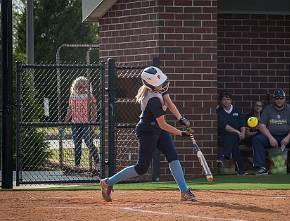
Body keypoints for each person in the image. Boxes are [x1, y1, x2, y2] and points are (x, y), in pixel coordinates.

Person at [100, 66, 195, 202]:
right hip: (147, 131)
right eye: (159, 83)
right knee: (141, 168)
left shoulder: (160, 90)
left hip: (158, 129)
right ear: (150, 85)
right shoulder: (153, 100)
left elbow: (170, 103)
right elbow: (163, 124)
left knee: (172, 155)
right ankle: (107, 182)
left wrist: (181, 118)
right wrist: (181, 133)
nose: (163, 85)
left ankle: (184, 191)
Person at [251, 89, 290, 175]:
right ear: (274, 99)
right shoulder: (268, 109)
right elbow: (261, 126)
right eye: (277, 98)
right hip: (271, 136)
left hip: (287, 136)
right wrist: (270, 138)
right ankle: (260, 167)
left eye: (281, 98)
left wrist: (287, 138)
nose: (279, 100)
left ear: (284, 99)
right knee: (257, 139)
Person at [65, 76, 100, 169]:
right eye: (80, 87)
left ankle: (97, 162)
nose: (82, 89)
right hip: (75, 123)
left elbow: (94, 111)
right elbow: (70, 109)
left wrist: (93, 122)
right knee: (77, 143)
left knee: (88, 142)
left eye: (85, 87)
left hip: (86, 123)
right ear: (75, 87)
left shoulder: (90, 96)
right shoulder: (72, 96)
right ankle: (77, 165)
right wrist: (65, 121)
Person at [217, 91, 247, 175]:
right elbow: (225, 126)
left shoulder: (236, 110)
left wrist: (243, 133)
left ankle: (223, 155)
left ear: (231, 100)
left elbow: (242, 123)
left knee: (233, 138)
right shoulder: (219, 111)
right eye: (224, 99)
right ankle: (241, 170)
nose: (226, 101)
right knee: (234, 144)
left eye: (228, 99)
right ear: (221, 101)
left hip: (238, 137)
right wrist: (238, 132)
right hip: (223, 137)